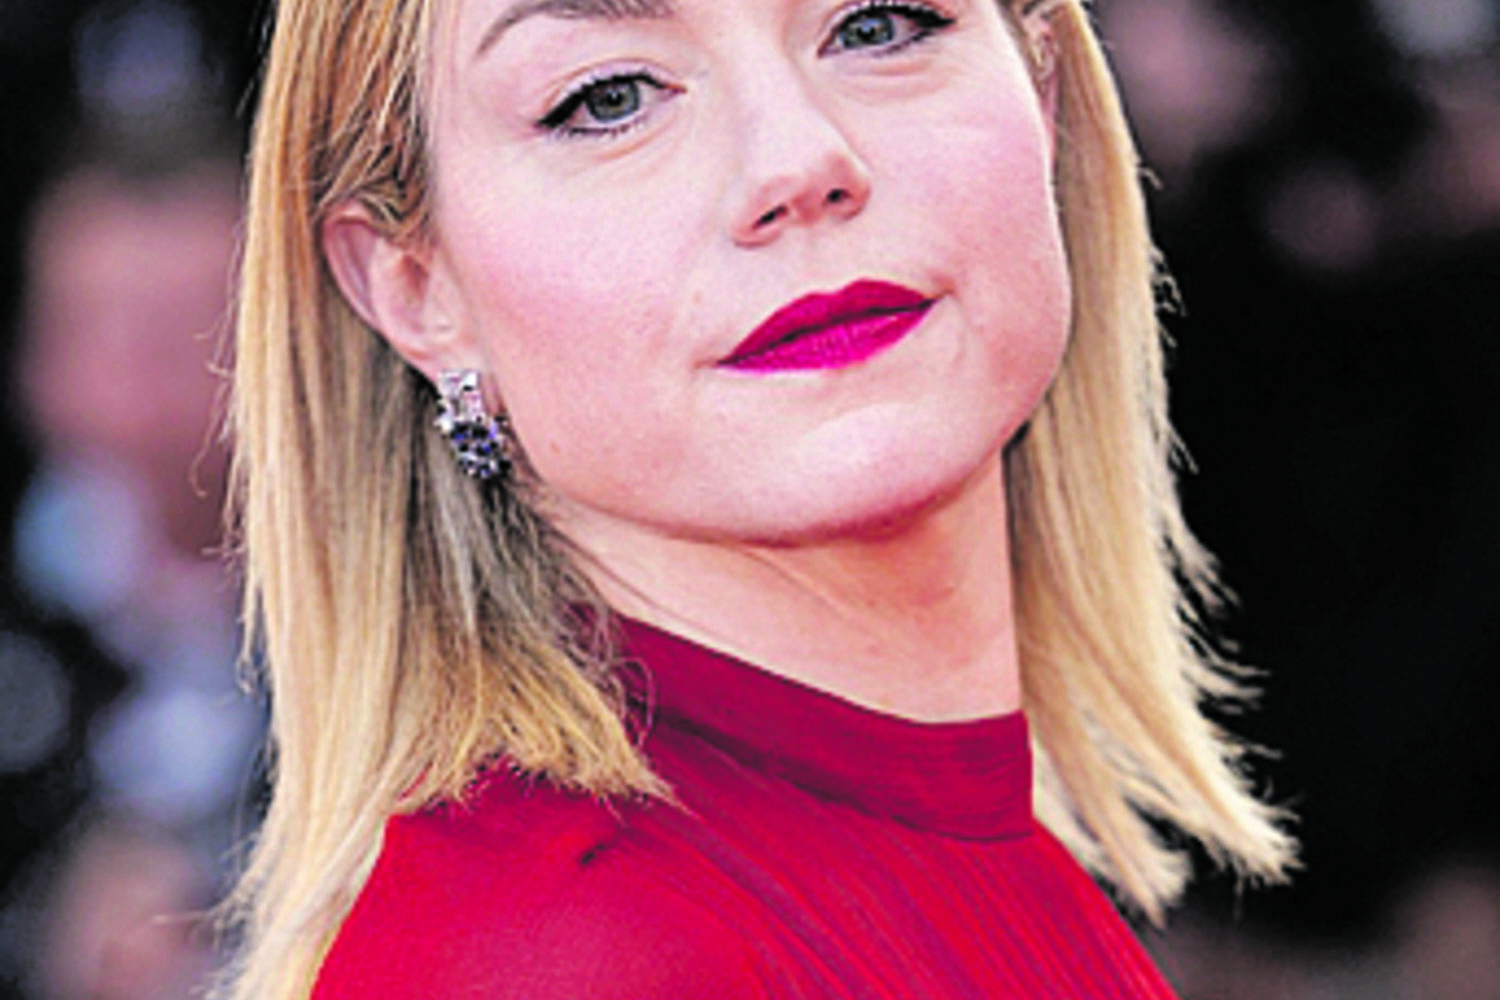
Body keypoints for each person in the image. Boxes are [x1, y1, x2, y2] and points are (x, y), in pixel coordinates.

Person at [220, 0, 1296, 997]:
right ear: (417, 289)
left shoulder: (958, 840)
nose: (799, 161)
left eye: (879, 23)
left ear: (1041, 84)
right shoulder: (563, 956)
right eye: (608, 98)